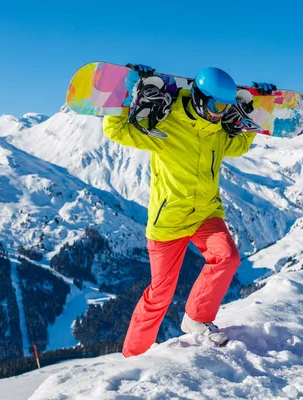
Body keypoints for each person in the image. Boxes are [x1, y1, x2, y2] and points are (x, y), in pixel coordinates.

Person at [103, 64, 272, 357]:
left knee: (227, 257)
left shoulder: (217, 131)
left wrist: (260, 111)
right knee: (160, 295)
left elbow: (240, 144)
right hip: (168, 222)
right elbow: (115, 130)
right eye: (217, 104)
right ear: (199, 98)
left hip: (206, 214)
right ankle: (132, 356)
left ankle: (196, 318)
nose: (220, 112)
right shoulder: (165, 124)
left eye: (226, 106)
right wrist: (126, 91)